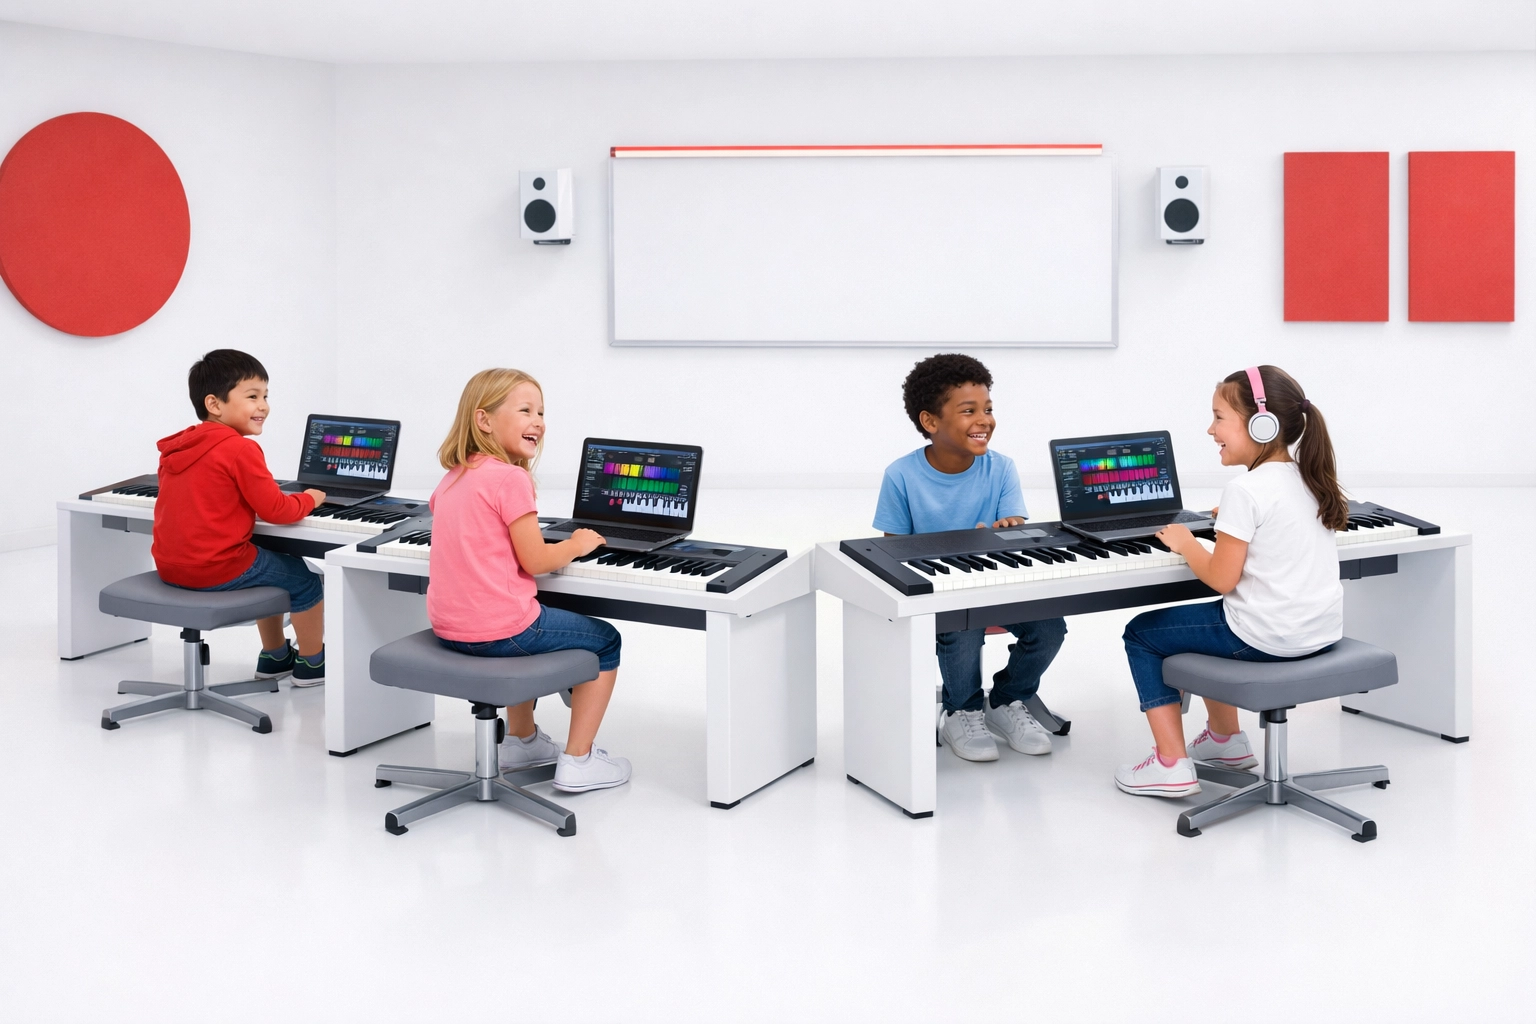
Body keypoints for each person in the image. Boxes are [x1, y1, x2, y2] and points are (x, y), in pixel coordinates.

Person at [1114, 365, 1348, 797]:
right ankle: (1225, 742)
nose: (1210, 429)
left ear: (1261, 424)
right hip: (1317, 632)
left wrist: (1186, 543)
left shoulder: (1246, 489)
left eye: (1220, 417)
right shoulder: (1309, 477)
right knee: (1206, 624)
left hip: (1265, 638)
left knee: (1143, 633)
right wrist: (1234, 527)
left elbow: (1222, 579)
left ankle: (1170, 762)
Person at [427, 368, 630, 793]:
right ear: (483, 420)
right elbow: (536, 560)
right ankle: (579, 760)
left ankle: (523, 741)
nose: (538, 420)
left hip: (450, 630)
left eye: (541, 411)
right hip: (501, 631)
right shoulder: (510, 478)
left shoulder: (451, 479)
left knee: (541, 614)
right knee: (605, 638)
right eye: (524, 410)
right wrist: (575, 543)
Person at [873, 353, 1067, 762]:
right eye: (969, 411)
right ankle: (962, 710)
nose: (984, 420)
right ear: (930, 422)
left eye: (988, 409)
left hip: (997, 584)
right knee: (963, 629)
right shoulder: (901, 475)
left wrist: (1009, 531)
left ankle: (1006, 700)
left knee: (1050, 628)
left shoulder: (1001, 469)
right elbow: (895, 553)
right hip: (940, 593)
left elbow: (1014, 532)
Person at [153, 349, 329, 685]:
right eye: (252, 396)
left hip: (170, 566)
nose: (263, 405)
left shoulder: (179, 446)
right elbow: (277, 511)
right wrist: (309, 498)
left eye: (265, 395)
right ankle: (312, 664)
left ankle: (275, 657)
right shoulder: (240, 448)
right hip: (217, 568)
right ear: (214, 404)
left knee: (278, 562)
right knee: (305, 580)